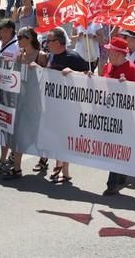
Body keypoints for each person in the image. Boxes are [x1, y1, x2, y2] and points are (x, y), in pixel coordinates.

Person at [43, 28, 90, 182]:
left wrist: (73, 73)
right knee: (57, 137)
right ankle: (63, 169)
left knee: (65, 138)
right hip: (53, 105)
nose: (46, 44)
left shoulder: (73, 57)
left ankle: (62, 168)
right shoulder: (51, 57)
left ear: (57, 42)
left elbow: (90, 77)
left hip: (70, 106)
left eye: (49, 41)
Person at [102, 37, 135, 196]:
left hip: (126, 117)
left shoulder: (132, 70)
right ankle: (121, 175)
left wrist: (127, 87)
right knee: (115, 148)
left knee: (116, 148)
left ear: (119, 53)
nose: (108, 53)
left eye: (111, 51)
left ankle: (112, 183)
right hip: (109, 113)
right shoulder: (109, 66)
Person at [5, 27, 49, 179]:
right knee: (19, 133)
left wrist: (38, 68)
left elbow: (49, 79)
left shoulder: (41, 56)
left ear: (29, 38)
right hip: (22, 100)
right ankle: (17, 168)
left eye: (20, 37)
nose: (18, 40)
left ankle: (44, 157)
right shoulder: (19, 56)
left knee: (38, 132)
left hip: (37, 102)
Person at [0, 19, 21, 174]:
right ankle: (5, 156)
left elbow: (21, 67)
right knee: (2, 125)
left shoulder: (17, 46)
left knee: (11, 127)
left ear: (10, 30)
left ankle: (7, 158)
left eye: (1, 29)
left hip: (13, 93)